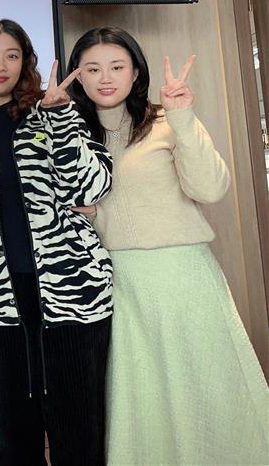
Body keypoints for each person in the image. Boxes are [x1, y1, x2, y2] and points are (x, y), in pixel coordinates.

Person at [66, 26, 269, 465]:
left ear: (136, 72)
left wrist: (183, 117)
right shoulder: (72, 135)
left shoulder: (165, 122)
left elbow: (211, 188)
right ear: (77, 76)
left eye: (117, 66)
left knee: (206, 387)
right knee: (144, 395)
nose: (106, 78)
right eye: (92, 69)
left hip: (183, 274)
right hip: (119, 280)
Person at [0, 18, 114, 466]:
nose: (1, 65)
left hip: (73, 295)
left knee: (79, 435)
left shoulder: (57, 115)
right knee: (15, 438)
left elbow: (90, 189)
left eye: (12, 56)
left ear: (25, 63)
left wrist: (60, 117)